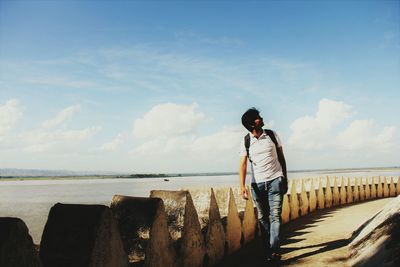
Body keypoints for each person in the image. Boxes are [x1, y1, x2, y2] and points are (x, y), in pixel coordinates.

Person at [239, 107, 288, 262]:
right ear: (252, 124)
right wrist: (242, 186)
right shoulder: (246, 141)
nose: (261, 118)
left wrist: (284, 177)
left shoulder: (272, 135)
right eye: (257, 117)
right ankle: (268, 249)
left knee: (275, 215)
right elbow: (243, 165)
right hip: (257, 185)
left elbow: (281, 158)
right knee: (262, 218)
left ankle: (274, 249)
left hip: (275, 179)